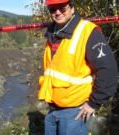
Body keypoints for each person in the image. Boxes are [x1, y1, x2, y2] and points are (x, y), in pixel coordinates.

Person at [38, 0, 118, 135]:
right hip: (52, 108)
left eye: (62, 8)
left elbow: (108, 71)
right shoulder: (53, 33)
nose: (57, 12)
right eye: (53, 9)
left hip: (75, 113)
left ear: (72, 8)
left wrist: (93, 104)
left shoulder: (87, 32)